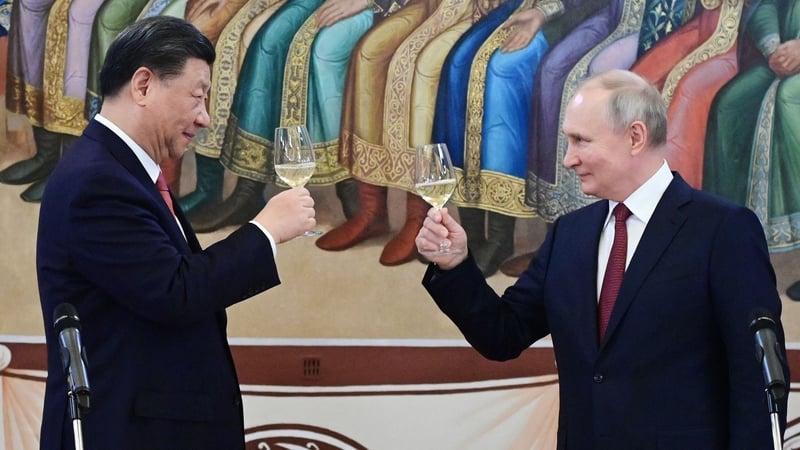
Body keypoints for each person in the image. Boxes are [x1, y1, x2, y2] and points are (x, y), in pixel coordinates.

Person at [415, 69, 789, 448]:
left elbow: (753, 375)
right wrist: (455, 264)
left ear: (635, 137)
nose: (567, 159)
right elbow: (503, 335)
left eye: (580, 141)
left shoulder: (723, 229)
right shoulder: (568, 235)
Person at [36, 16, 316, 449]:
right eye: (198, 97)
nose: (204, 118)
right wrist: (265, 231)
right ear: (144, 85)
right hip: (127, 433)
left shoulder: (123, 172)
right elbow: (174, 291)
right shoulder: (96, 180)